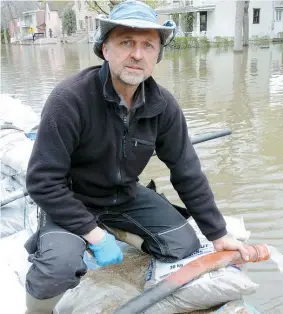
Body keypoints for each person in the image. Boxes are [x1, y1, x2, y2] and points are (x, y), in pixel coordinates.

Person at [24, 1, 249, 313]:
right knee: (56, 268)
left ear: (158, 55)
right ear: (105, 49)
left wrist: (218, 233)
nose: (137, 54)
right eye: (126, 42)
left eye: (148, 45)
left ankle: (116, 230)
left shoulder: (164, 106)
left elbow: (186, 171)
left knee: (184, 244)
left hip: (124, 196)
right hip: (71, 200)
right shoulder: (69, 99)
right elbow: (41, 181)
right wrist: (92, 233)